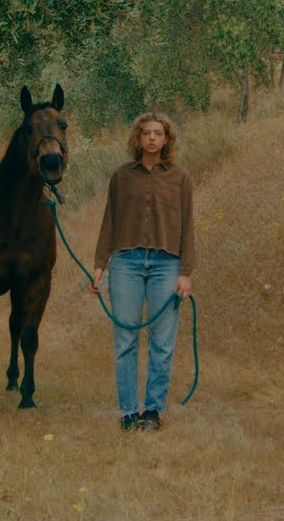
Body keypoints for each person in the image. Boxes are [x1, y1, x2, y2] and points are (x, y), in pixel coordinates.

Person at [90, 111, 195, 431]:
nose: (152, 138)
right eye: (146, 133)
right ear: (138, 138)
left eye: (158, 133)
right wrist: (99, 265)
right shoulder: (121, 177)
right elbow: (109, 222)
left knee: (162, 341)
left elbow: (188, 227)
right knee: (126, 340)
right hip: (126, 264)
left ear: (167, 139)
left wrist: (185, 272)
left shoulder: (180, 178)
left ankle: (152, 410)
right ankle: (128, 411)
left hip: (167, 264)